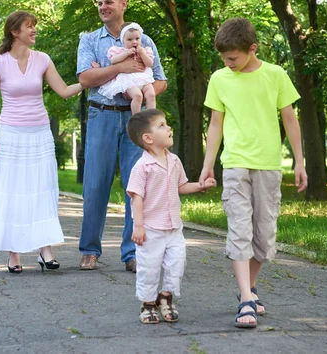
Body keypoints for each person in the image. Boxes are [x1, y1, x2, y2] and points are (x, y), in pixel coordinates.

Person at [199, 18, 308, 328]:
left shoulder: (275, 75)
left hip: (269, 165)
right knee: (239, 229)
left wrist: (299, 162)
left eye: (233, 58)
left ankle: (249, 287)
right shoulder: (220, 79)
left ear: (252, 49)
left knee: (263, 235)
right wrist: (208, 164)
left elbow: (290, 119)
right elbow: (216, 124)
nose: (228, 63)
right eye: (224, 59)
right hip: (234, 163)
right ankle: (246, 298)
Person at [0, 10, 83, 273]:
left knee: (43, 188)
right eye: (29, 27)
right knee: (14, 190)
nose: (34, 30)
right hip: (12, 135)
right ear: (15, 32)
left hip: (40, 134)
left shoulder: (43, 60)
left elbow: (64, 91)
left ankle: (45, 250)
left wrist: (90, 80)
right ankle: (14, 253)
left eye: (34, 26)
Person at [76, 0, 167, 272]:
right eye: (100, 3)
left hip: (135, 117)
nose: (103, 7)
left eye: (109, 2)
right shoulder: (90, 40)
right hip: (101, 115)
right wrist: (120, 68)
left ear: (123, 4)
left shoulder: (144, 38)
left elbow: (160, 79)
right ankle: (90, 250)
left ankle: (132, 254)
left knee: (135, 187)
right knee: (94, 186)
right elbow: (86, 78)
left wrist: (144, 86)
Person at [126, 109, 217, 324]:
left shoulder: (174, 161)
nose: (169, 128)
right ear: (147, 138)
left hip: (174, 227)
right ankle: (148, 304)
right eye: (161, 125)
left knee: (177, 264)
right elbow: (136, 197)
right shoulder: (142, 167)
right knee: (149, 267)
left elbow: (181, 186)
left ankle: (165, 298)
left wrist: (200, 186)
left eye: (166, 124)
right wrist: (138, 226)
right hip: (150, 228)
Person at [98, 22, 156, 114]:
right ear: (123, 41)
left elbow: (149, 64)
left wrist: (142, 53)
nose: (134, 42)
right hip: (129, 80)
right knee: (137, 96)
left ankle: (152, 118)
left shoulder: (145, 50)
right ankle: (136, 118)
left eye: (137, 38)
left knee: (151, 94)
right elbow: (113, 60)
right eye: (129, 39)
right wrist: (126, 53)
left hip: (144, 79)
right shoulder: (119, 51)